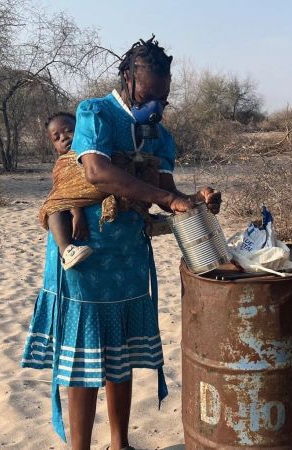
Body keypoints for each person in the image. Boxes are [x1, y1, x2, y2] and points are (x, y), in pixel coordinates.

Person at [21, 36, 221, 450]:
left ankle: (119, 443)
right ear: (129, 79)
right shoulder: (95, 113)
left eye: (164, 99)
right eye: (150, 96)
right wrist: (169, 199)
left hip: (129, 254)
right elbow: (96, 171)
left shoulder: (160, 137)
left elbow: (165, 188)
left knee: (120, 354)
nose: (157, 107)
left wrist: (196, 200)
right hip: (85, 255)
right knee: (84, 358)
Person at [37, 112, 94, 270]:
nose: (64, 137)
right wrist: (77, 212)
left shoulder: (93, 155)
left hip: (96, 199)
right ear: (54, 146)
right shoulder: (62, 164)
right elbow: (65, 192)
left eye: (69, 130)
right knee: (53, 206)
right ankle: (66, 250)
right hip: (66, 207)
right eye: (56, 138)